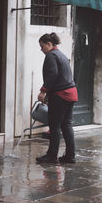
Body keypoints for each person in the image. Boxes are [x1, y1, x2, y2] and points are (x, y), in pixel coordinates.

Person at [36, 33, 78, 164]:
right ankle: (70, 156)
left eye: (42, 46)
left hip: (61, 95)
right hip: (71, 93)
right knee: (66, 125)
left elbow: (53, 74)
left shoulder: (51, 56)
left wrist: (43, 91)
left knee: (54, 126)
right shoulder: (61, 55)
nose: (41, 49)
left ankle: (51, 156)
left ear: (49, 44)